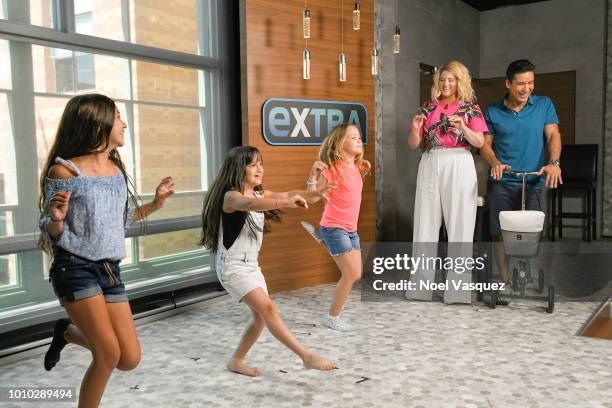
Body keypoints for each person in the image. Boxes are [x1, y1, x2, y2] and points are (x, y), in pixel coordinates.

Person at [38, 93, 175, 407]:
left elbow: (119, 222)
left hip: (109, 269)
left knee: (129, 358)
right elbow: (52, 229)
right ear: (98, 123)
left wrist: (156, 203)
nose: (124, 124)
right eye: (118, 117)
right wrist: (55, 219)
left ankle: (67, 333)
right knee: (108, 354)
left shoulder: (115, 168)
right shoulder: (66, 173)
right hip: (74, 267)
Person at [200, 145, 336, 377]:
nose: (259, 168)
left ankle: (236, 360)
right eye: (253, 164)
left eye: (261, 164)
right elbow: (251, 205)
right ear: (238, 168)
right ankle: (306, 357)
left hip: (252, 266)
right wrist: (287, 201)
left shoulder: (261, 194)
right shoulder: (230, 197)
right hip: (233, 268)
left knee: (260, 319)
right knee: (269, 309)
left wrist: (315, 185)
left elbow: (297, 196)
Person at [406, 60, 487, 304]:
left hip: (460, 163)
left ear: (460, 82)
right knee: (424, 224)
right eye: (442, 79)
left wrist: (463, 127)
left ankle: (458, 292)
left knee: (460, 225)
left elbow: (480, 143)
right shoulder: (427, 108)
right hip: (430, 161)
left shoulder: (471, 109)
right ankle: (420, 288)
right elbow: (413, 144)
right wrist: (414, 129)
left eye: (451, 79)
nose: (446, 83)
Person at [480, 59, 562, 291]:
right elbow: (485, 145)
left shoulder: (544, 104)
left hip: (533, 180)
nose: (526, 89)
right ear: (508, 84)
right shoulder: (493, 110)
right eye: (520, 84)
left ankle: (525, 272)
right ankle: (506, 281)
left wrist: (554, 162)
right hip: (502, 181)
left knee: (529, 233)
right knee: (500, 233)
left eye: (531, 83)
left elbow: (553, 135)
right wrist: (495, 162)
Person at [304, 124, 371, 331]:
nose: (359, 140)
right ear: (339, 144)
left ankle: (323, 239)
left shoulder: (358, 168)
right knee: (350, 274)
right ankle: (332, 317)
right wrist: (313, 175)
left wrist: (362, 166)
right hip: (334, 226)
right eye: (352, 138)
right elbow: (312, 198)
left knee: (357, 273)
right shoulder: (332, 170)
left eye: (359, 137)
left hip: (351, 229)